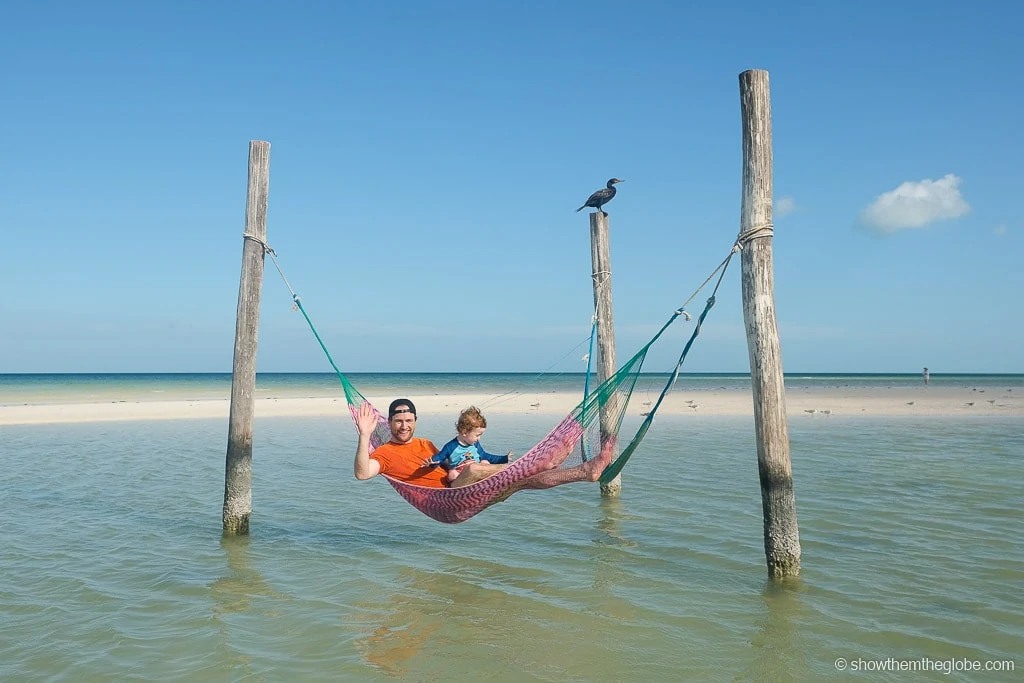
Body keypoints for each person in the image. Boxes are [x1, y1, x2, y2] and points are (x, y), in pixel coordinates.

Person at [353, 398, 509, 488]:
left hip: (462, 484)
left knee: (480, 464)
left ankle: (518, 474)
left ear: (415, 421)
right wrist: (365, 435)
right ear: (389, 422)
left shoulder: (425, 444)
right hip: (448, 497)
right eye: (398, 421)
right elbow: (362, 474)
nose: (404, 426)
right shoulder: (385, 452)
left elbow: (447, 463)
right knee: (475, 469)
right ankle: (511, 471)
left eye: (409, 421)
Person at [423, 406, 511, 487]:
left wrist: (504, 458)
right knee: (452, 474)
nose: (479, 438)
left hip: (476, 474)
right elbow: (440, 458)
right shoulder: (451, 446)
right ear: (464, 432)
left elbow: (486, 456)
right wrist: (431, 463)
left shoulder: (475, 445)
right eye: (477, 435)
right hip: (461, 477)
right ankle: (465, 490)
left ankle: (494, 480)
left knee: (485, 462)